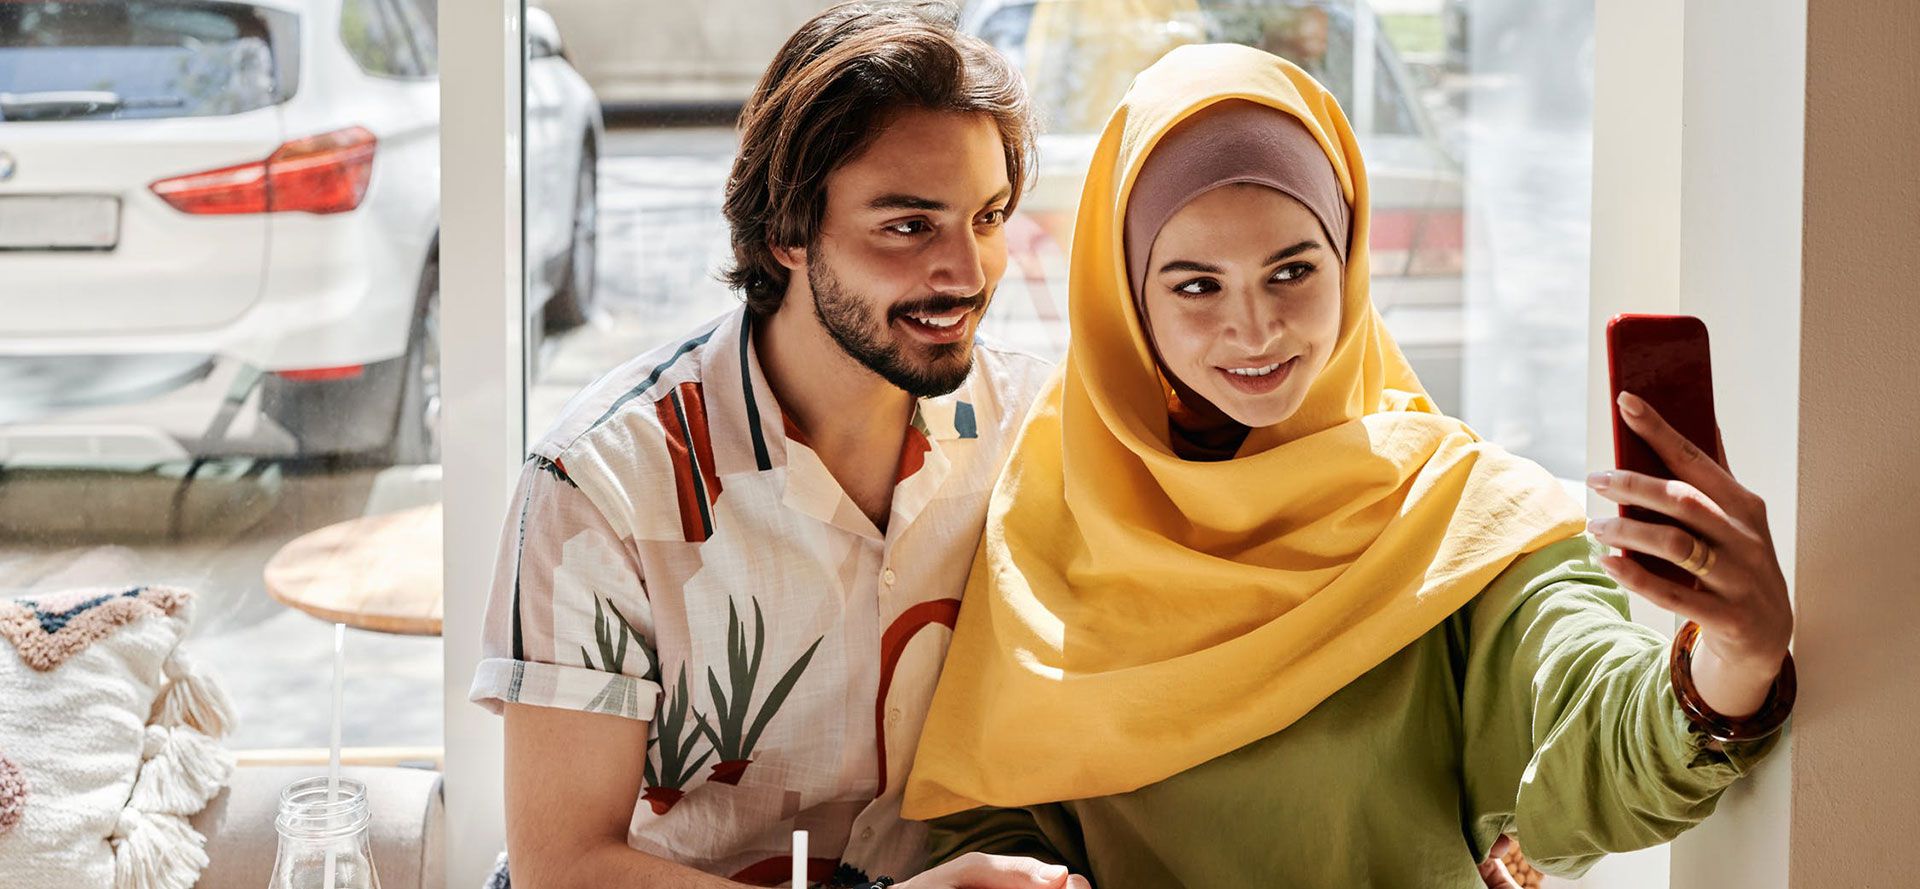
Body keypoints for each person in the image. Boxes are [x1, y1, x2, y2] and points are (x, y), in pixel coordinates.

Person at [903, 43, 1796, 887]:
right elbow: (993, 818)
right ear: (1127, 297)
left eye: (1292, 270)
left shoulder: (1455, 510)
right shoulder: (1050, 509)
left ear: (1350, 260)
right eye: (1196, 285)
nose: (1253, 330)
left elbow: (1590, 717)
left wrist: (1732, 658)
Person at [469, 3, 1087, 887]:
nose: (967, 272)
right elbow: (563, 867)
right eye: (909, 226)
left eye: (987, 218)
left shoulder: (1037, 427)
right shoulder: (599, 484)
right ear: (786, 232)